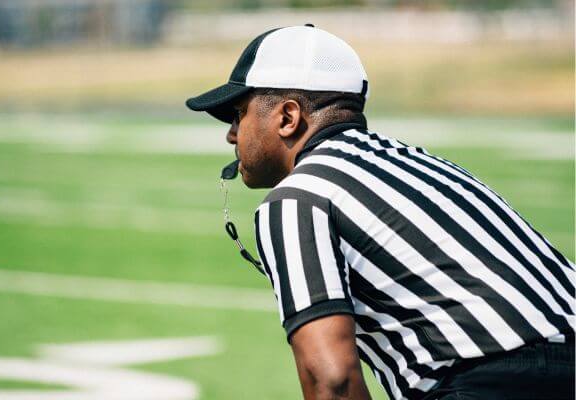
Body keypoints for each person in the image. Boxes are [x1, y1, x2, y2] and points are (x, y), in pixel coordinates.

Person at [186, 25, 575, 400]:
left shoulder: (297, 197)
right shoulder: (422, 163)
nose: (232, 134)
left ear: (288, 118)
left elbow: (331, 380)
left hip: (484, 381)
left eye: (239, 114)